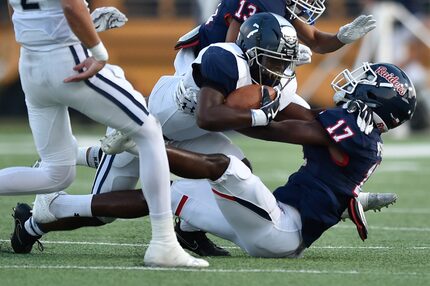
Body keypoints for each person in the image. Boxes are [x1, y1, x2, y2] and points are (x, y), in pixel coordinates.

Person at [11, 63, 408, 257]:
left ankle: (136, 143)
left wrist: (247, 114)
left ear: (376, 96)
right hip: (276, 227)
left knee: (228, 167)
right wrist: (268, 103)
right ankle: (44, 216)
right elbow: (319, 149)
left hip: (283, 229)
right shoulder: (364, 138)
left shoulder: (354, 128)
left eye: (365, 79)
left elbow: (288, 130)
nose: (354, 80)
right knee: (162, 195)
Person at [4, 0, 207, 267]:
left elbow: (21, 12)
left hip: (30, 65)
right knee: (148, 130)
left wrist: (84, 23)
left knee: (57, 173)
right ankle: (164, 244)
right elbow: (70, 4)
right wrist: (97, 50)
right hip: (68, 62)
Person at [173, 0, 376, 76]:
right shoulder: (264, 2)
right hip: (200, 62)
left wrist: (341, 37)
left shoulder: (283, 6)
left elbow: (317, 42)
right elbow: (229, 52)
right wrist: (287, 57)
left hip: (231, 63)